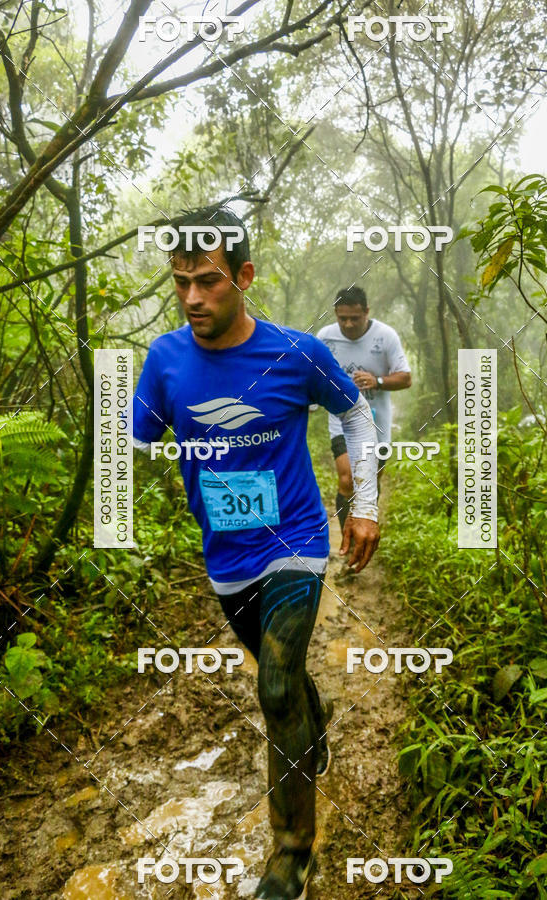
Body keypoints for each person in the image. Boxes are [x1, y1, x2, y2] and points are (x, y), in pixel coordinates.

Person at [131, 207, 380, 900]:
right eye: (180, 282)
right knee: (289, 684)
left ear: (243, 276)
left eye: (208, 281)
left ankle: (292, 855)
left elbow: (353, 412)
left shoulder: (294, 352)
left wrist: (364, 507)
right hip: (227, 558)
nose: (192, 298)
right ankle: (311, 713)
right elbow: (142, 435)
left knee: (272, 686)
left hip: (295, 542)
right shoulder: (164, 359)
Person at [317, 285, 411, 535]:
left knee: (369, 483)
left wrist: (377, 381)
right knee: (348, 480)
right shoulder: (325, 337)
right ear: (335, 314)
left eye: (354, 318)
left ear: (367, 311)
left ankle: (364, 528)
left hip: (377, 425)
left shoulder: (386, 336)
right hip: (342, 421)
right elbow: (311, 374)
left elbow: (405, 378)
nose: (347, 324)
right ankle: (348, 543)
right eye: (342, 318)